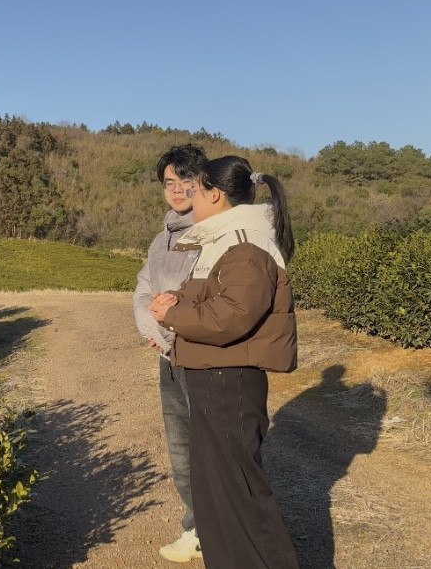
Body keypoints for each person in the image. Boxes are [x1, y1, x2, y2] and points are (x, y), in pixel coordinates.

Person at [149, 155, 301, 569]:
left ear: (214, 194)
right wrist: (174, 301)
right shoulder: (222, 239)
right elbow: (216, 299)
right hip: (212, 375)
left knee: (239, 493)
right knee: (215, 492)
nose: (186, 197)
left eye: (193, 190)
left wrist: (171, 316)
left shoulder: (243, 242)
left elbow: (233, 316)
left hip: (227, 379)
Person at [131, 143, 207, 562]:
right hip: (168, 356)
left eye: (186, 181)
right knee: (181, 449)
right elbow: (143, 290)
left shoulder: (211, 231)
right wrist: (156, 332)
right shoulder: (162, 239)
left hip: (202, 357)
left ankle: (223, 529)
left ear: (205, 182)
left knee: (213, 448)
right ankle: (195, 528)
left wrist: (170, 323)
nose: (177, 190)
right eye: (169, 182)